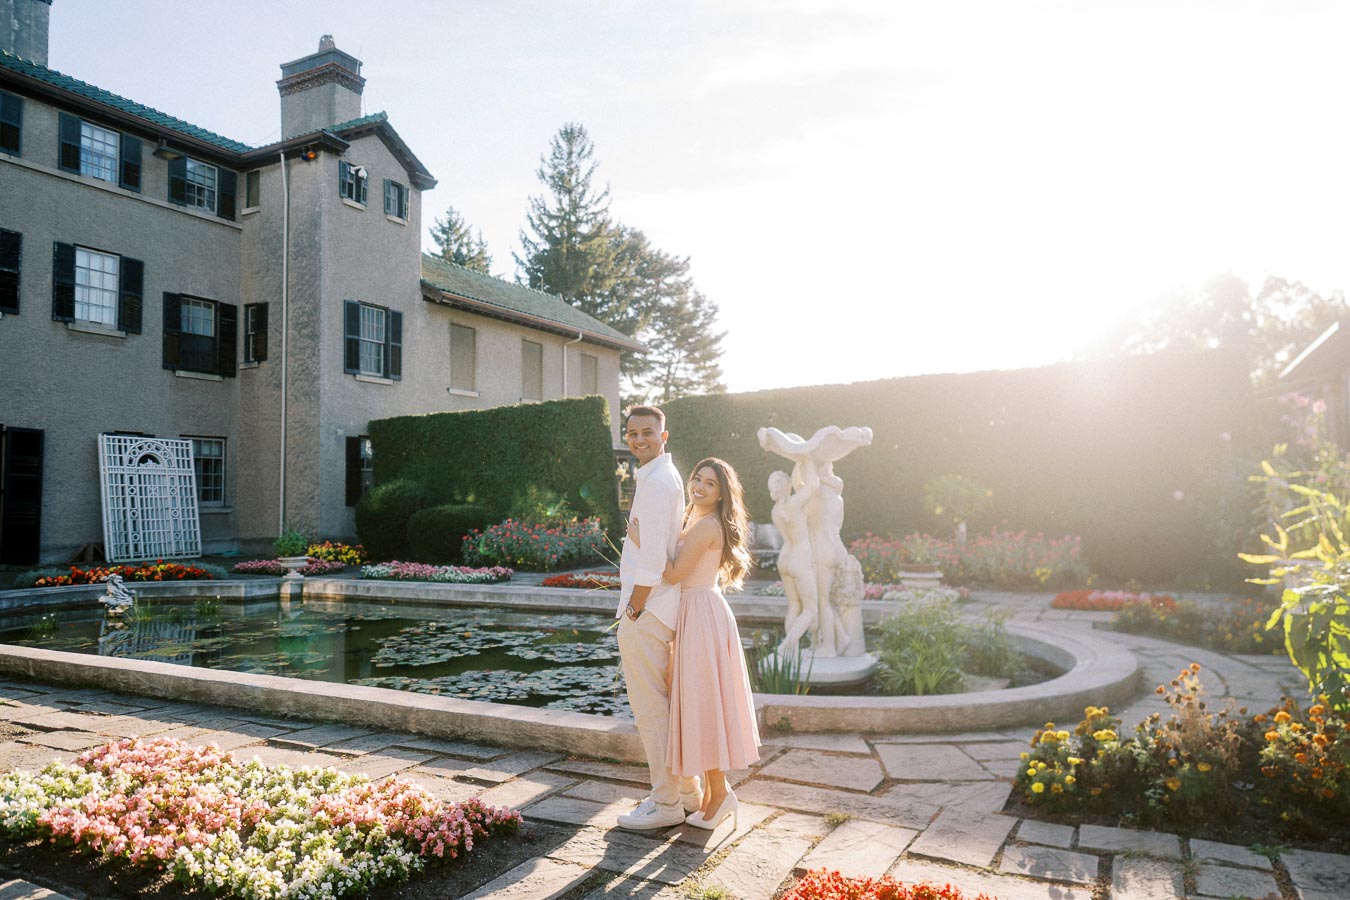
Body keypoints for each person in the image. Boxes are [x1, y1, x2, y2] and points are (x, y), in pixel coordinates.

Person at [615, 406, 702, 831]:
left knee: (650, 711)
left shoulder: (656, 481)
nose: (639, 439)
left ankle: (665, 804)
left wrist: (632, 610)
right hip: (657, 609)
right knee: (663, 706)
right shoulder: (658, 476)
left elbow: (651, 561)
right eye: (632, 433)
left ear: (663, 436)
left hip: (647, 610)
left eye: (648, 432)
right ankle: (687, 794)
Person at [663, 457, 762, 830]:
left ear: (722, 495)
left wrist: (643, 543)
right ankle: (714, 794)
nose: (700, 487)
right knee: (702, 702)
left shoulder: (707, 526)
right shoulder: (694, 518)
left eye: (710, 484)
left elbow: (673, 573)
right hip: (698, 612)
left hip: (701, 613)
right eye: (697, 479)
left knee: (704, 703)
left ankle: (719, 794)